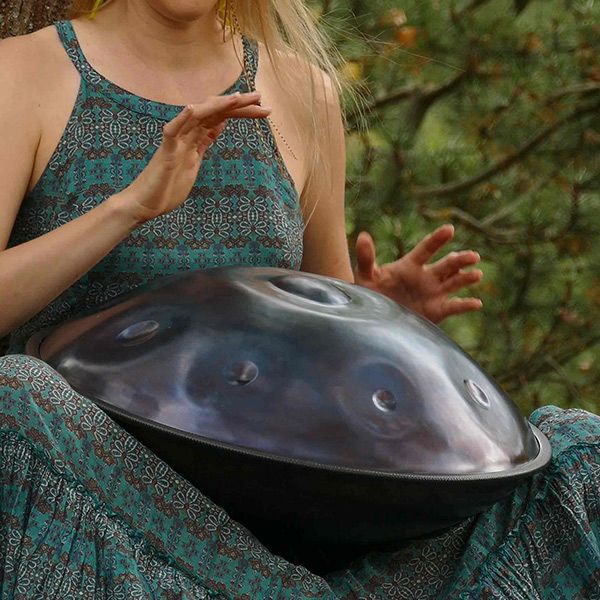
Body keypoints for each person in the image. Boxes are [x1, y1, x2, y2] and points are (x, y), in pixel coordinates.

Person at [0, 0, 597, 597]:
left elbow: (323, 323)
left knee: (579, 455)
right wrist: (130, 206)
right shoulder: (25, 73)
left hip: (272, 487)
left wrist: (385, 322)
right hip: (94, 468)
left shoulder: (300, 90)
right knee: (17, 395)